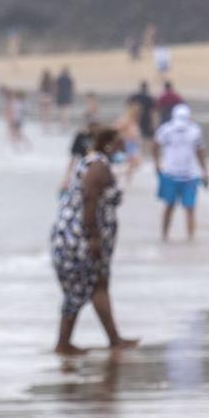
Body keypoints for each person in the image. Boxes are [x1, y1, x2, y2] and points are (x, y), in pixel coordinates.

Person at [50, 126, 138, 355]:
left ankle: (112, 339)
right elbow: (89, 199)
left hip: (78, 235)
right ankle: (64, 344)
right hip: (80, 238)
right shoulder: (98, 167)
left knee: (98, 284)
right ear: (108, 143)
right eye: (120, 142)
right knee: (82, 288)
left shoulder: (95, 163)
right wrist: (94, 238)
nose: (123, 146)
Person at [152, 104, 209, 241]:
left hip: (190, 175)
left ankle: (191, 238)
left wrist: (204, 170)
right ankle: (164, 236)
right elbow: (155, 145)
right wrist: (157, 163)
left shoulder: (195, 131)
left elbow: (200, 151)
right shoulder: (166, 130)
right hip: (170, 174)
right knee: (169, 206)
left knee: (190, 208)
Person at [115, 100, 144, 184]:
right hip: (127, 143)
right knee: (129, 161)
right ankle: (123, 176)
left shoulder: (134, 120)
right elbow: (117, 128)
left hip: (132, 143)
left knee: (134, 162)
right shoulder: (126, 119)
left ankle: (127, 176)